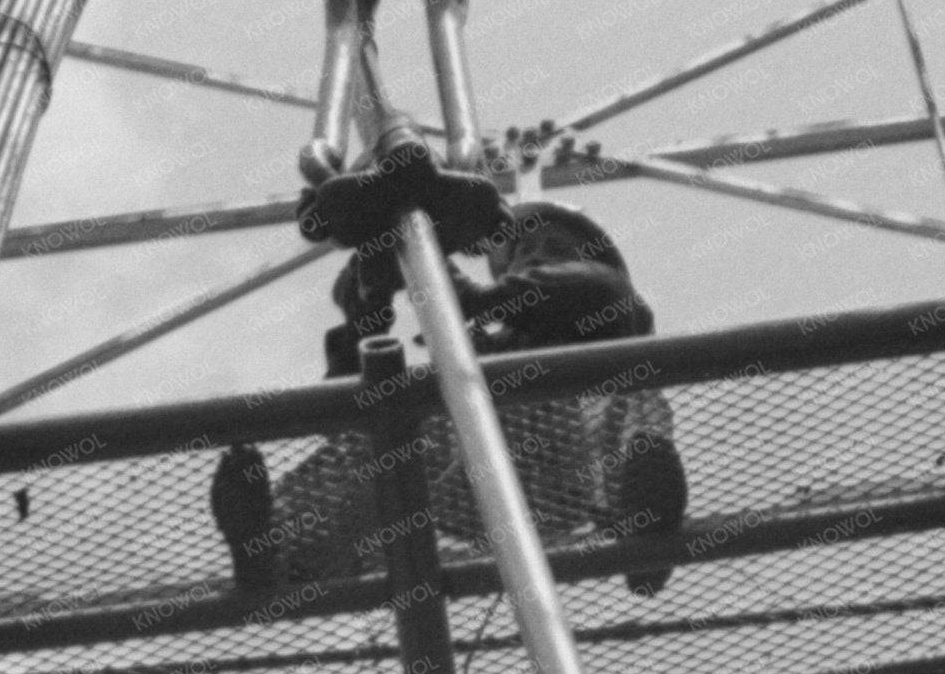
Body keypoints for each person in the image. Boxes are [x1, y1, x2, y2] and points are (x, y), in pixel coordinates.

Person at [211, 201, 687, 599]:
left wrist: (413, 242)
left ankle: (643, 529)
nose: (537, 256)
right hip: (476, 477)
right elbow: (351, 419)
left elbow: (478, 299)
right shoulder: (488, 348)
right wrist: (362, 323)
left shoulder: (608, 296)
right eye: (522, 250)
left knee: (631, 397)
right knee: (386, 437)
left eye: (555, 246)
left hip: (574, 472)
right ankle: (281, 557)